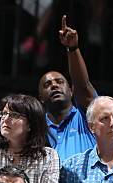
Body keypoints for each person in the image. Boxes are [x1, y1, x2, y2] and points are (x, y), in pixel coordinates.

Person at [36, 15, 97, 161]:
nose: (54, 85)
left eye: (59, 82)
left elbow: (83, 86)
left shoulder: (86, 117)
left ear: (71, 91)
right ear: (41, 98)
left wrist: (73, 49)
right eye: (47, 85)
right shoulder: (37, 126)